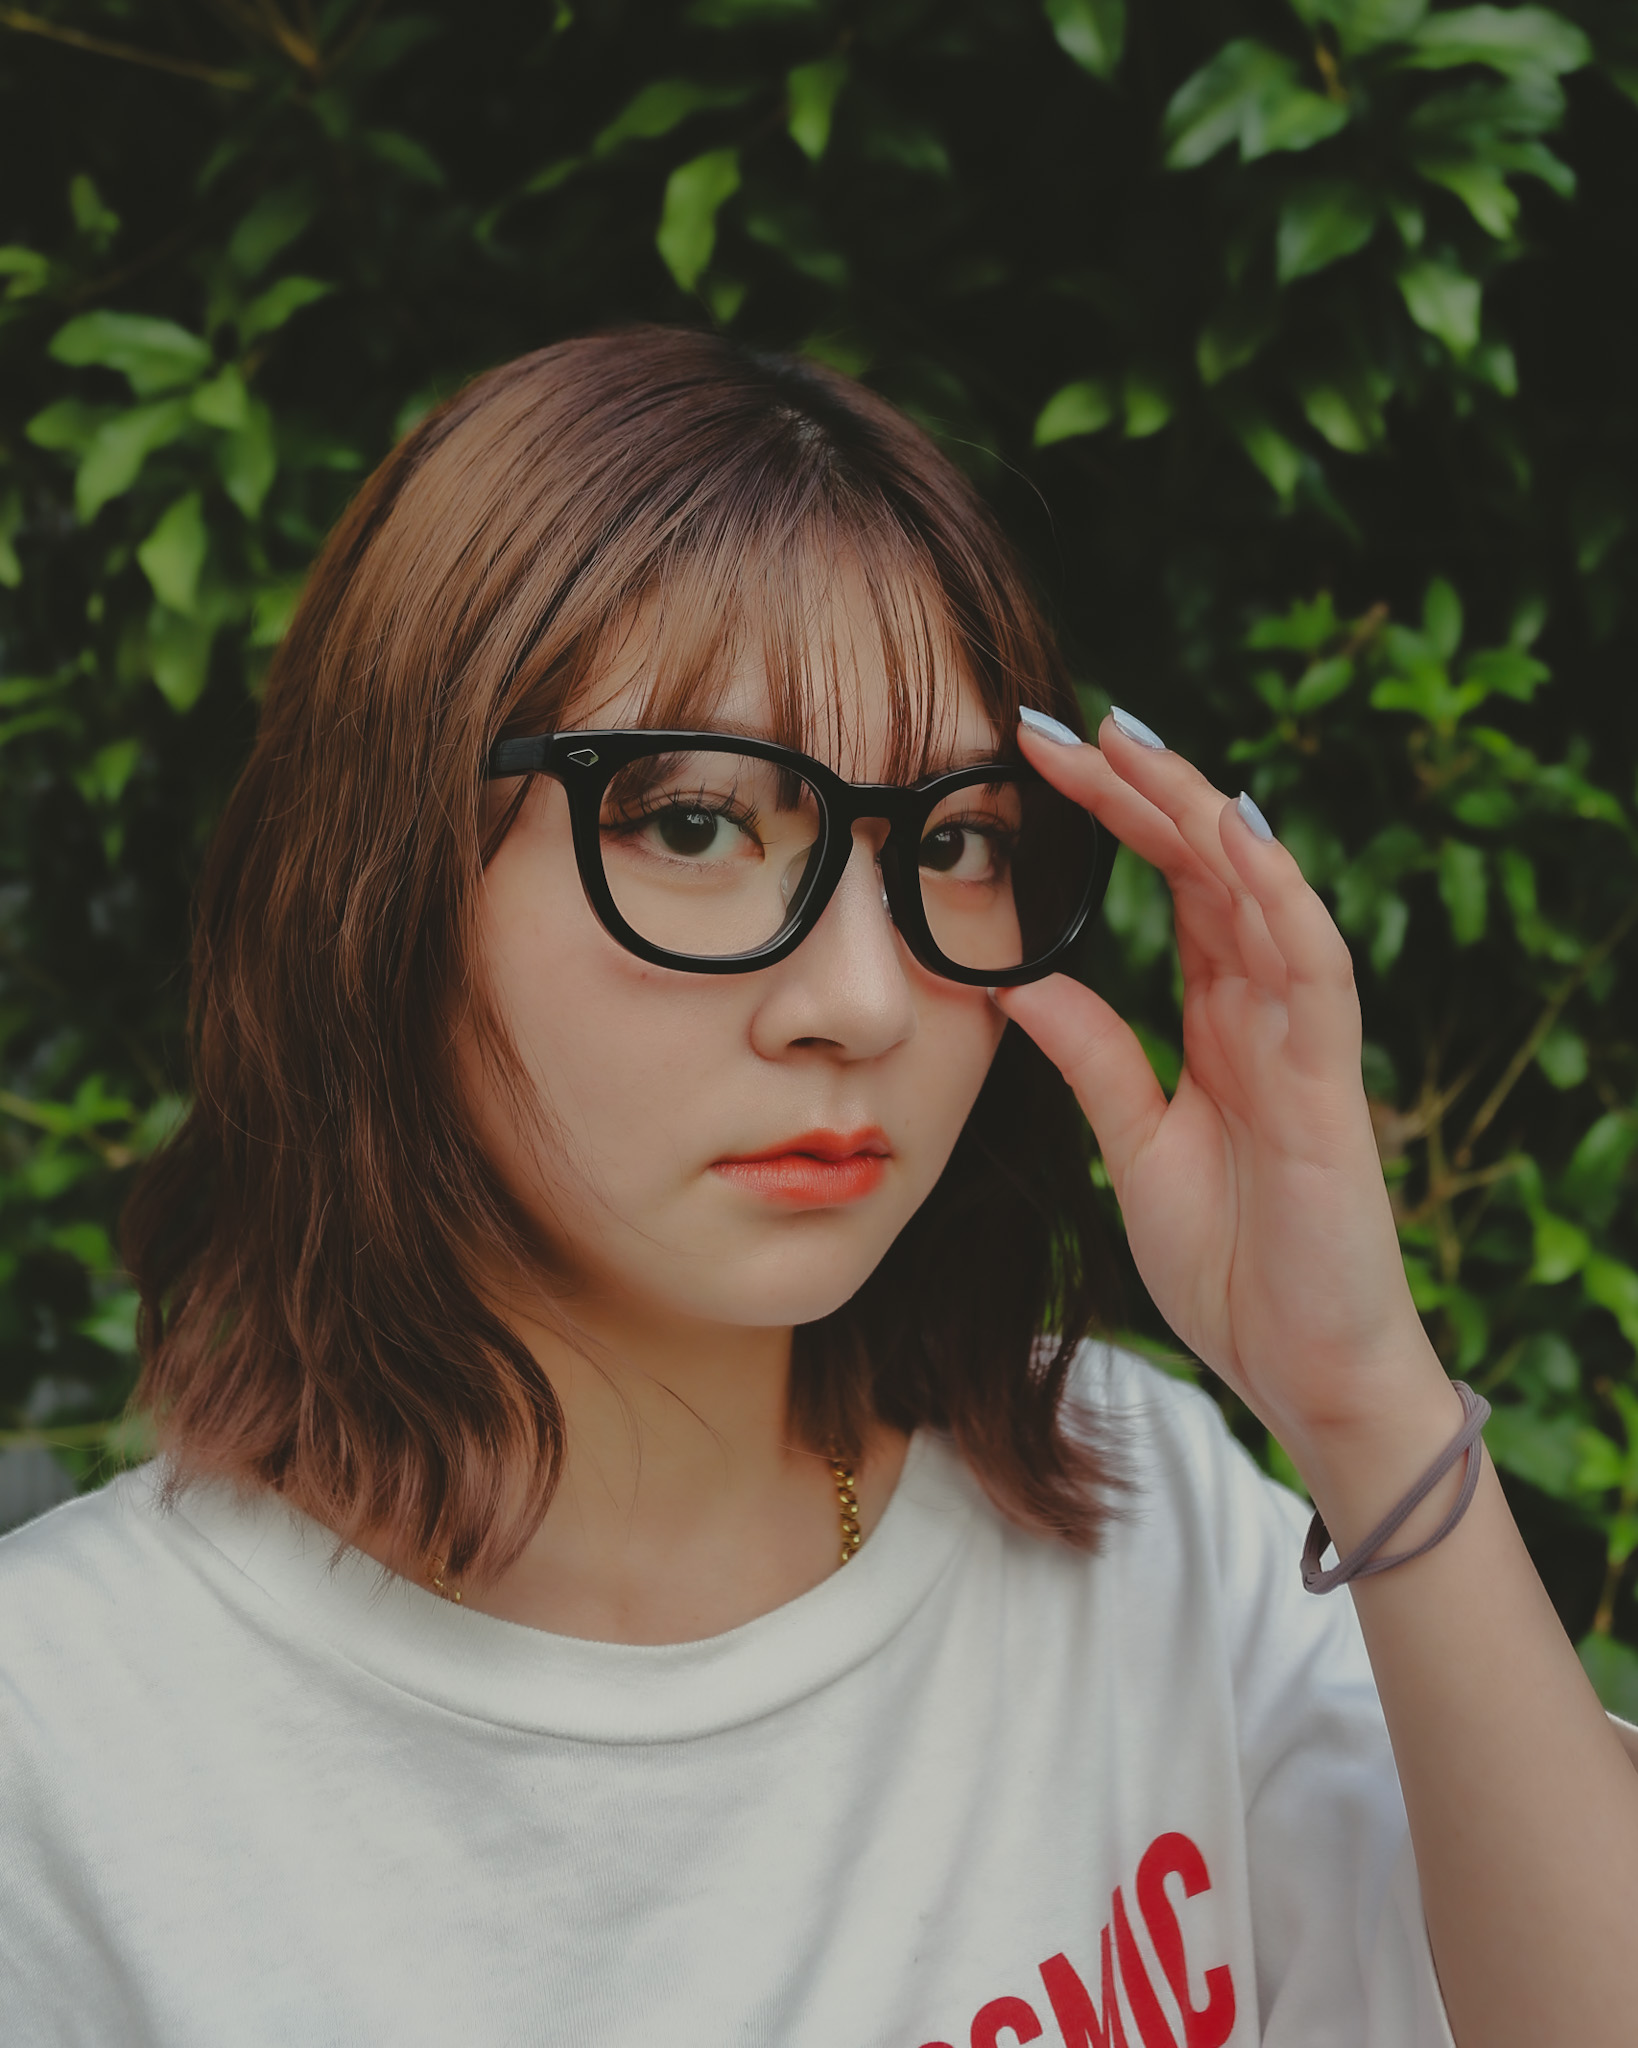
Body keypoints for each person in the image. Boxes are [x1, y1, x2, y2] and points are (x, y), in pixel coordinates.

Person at [1, 328, 1635, 2048]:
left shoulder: (1136, 1512)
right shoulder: (71, 1746)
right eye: (694, 825)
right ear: (386, 876)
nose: (861, 1001)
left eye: (952, 841)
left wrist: (1358, 1397)